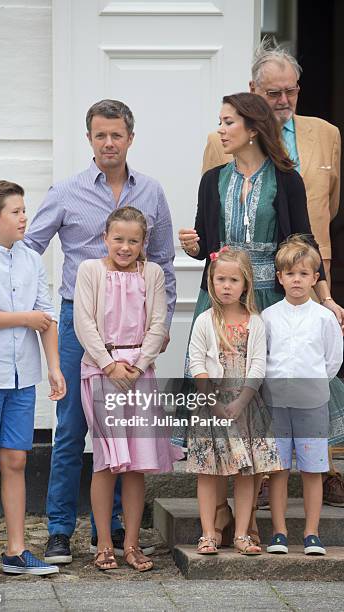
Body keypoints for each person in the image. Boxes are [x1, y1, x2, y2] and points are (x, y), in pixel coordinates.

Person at [23, 100, 176, 563]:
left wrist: (162, 325)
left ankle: (109, 533)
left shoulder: (150, 191)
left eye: (117, 135)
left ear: (130, 137)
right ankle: (59, 531)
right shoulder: (67, 191)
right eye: (100, 135)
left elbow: (165, 259)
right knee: (72, 429)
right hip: (78, 325)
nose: (109, 143)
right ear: (89, 139)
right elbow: (31, 247)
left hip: (134, 334)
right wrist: (41, 309)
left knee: (125, 434)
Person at [178, 91, 332, 546]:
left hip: (269, 300)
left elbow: (304, 242)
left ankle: (251, 520)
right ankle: (221, 512)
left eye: (228, 122)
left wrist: (326, 297)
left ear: (252, 127)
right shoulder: (212, 180)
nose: (221, 130)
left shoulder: (286, 180)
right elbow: (205, 238)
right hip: (221, 302)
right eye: (220, 121)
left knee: (262, 405)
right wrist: (193, 245)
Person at [201, 37, 344, 508]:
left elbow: (322, 215)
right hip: (231, 290)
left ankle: (314, 469)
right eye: (273, 92)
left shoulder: (325, 136)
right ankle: (238, 491)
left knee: (296, 372)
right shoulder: (217, 152)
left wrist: (322, 293)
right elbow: (212, 224)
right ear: (254, 93)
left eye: (291, 91)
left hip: (296, 280)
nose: (283, 101)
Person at [0, 181, 66, 577]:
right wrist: (24, 319)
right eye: (17, 211)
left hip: (24, 376)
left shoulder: (32, 259)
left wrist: (53, 367)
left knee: (16, 460)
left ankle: (17, 550)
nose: (25, 217)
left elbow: (46, 316)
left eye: (24, 210)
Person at [73, 206, 182, 571]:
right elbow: (83, 321)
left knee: (137, 463)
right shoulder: (90, 271)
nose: (125, 247)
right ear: (105, 238)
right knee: (108, 460)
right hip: (103, 371)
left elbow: (157, 321)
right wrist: (108, 363)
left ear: (143, 243)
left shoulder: (150, 273)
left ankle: (132, 543)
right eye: (118, 239)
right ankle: (104, 542)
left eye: (133, 240)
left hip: (139, 372)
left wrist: (137, 365)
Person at [187, 247, 281, 556]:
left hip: (246, 406)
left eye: (233, 280)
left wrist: (241, 402)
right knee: (209, 470)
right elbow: (195, 362)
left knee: (247, 471)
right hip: (211, 406)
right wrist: (212, 401)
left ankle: (241, 533)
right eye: (220, 279)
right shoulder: (204, 321)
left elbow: (257, 365)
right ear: (211, 281)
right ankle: (208, 533)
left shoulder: (255, 322)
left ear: (246, 284)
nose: (226, 286)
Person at [263, 236, 343, 556]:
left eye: (304, 274)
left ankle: (312, 533)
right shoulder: (268, 316)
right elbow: (263, 356)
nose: (297, 280)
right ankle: (279, 532)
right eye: (290, 274)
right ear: (280, 278)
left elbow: (333, 359)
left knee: (313, 469)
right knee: (279, 469)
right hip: (276, 403)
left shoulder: (324, 318)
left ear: (314, 278)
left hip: (312, 403)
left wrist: (312, 383)